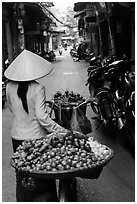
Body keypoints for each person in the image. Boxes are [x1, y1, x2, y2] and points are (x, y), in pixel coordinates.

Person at [4, 49, 69, 202]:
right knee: (43, 173)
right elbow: (42, 117)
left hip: (17, 137)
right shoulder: (38, 88)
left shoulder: (8, 87)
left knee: (22, 173)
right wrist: (60, 130)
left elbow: (12, 109)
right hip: (37, 139)